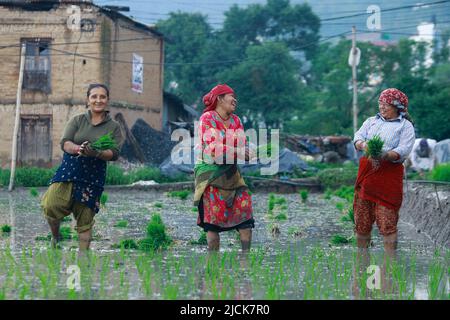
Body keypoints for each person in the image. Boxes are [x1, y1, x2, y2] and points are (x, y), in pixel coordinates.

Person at [41, 83, 124, 251]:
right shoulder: (77, 120)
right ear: (88, 100)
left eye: (102, 97)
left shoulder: (113, 127)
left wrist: (96, 153)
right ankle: (56, 236)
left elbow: (114, 153)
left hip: (92, 177)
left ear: (107, 100)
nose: (98, 100)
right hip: (69, 172)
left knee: (85, 218)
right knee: (50, 204)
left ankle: (84, 259)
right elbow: (65, 143)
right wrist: (78, 149)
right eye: (94, 96)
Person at [353, 88, 415, 257]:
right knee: (362, 222)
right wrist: (364, 145)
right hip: (367, 176)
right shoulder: (371, 121)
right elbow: (358, 136)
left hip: (388, 177)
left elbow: (403, 149)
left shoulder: (405, 126)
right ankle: (361, 259)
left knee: (387, 222)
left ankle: (390, 262)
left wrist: (385, 155)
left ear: (397, 107)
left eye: (386, 104)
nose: (382, 107)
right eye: (380, 103)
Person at [194, 84, 254, 252]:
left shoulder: (236, 120)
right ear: (219, 99)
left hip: (232, 174)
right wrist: (239, 151)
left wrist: (248, 152)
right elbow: (215, 150)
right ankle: (213, 266)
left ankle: (245, 262)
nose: (235, 99)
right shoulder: (207, 118)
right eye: (230, 95)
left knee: (246, 221)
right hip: (210, 175)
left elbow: (244, 144)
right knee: (213, 225)